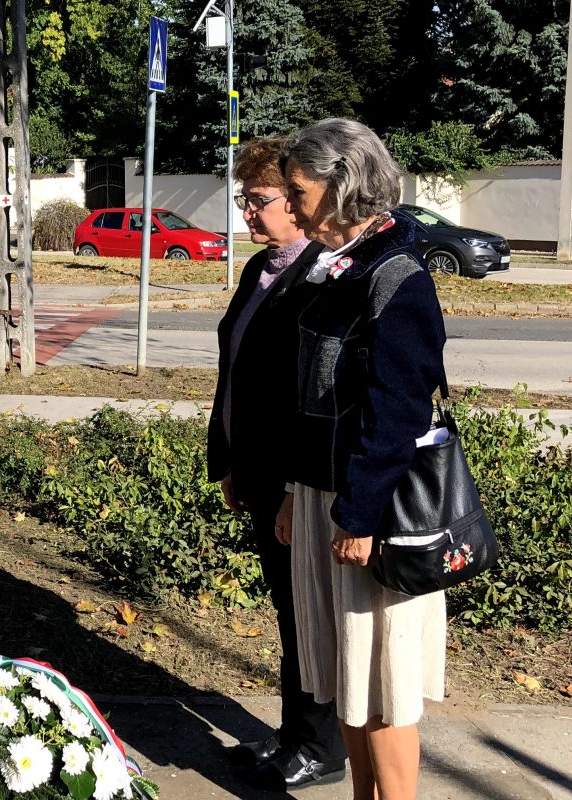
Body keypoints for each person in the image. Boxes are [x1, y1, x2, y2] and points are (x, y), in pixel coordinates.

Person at [276, 117, 448, 800]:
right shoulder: (335, 268)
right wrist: (296, 491)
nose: (291, 208)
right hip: (325, 499)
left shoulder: (396, 276)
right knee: (349, 680)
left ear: (342, 185)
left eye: (298, 191)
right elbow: (307, 399)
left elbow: (398, 411)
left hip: (372, 511)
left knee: (383, 685)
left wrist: (360, 514)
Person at [206, 136, 348, 791]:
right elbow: (237, 370)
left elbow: (310, 398)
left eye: (258, 200)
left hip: (297, 481)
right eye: (244, 200)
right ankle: (293, 737)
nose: (247, 213)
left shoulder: (321, 276)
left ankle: (321, 747)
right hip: (259, 471)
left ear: (295, 203)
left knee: (308, 614)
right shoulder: (260, 270)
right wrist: (230, 461)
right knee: (289, 611)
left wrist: (294, 487)